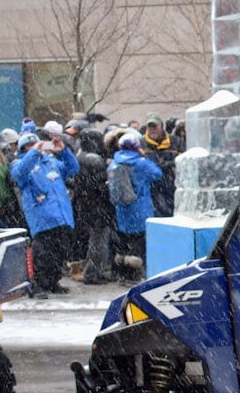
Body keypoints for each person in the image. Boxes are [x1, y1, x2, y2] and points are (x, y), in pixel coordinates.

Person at [10, 131, 80, 298]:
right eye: (30, 145)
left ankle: (52, 281)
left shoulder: (51, 162)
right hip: (41, 216)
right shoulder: (20, 164)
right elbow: (19, 174)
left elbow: (73, 169)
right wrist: (34, 152)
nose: (38, 148)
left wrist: (63, 151)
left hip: (61, 215)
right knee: (42, 252)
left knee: (59, 250)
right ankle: (38, 284)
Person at [111, 132, 162, 281]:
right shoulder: (140, 163)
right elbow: (157, 174)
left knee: (125, 242)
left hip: (122, 208)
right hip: (140, 209)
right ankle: (136, 276)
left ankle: (124, 275)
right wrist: (144, 157)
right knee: (139, 244)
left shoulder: (116, 162)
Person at [71, 128, 115, 284]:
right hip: (98, 208)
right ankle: (93, 274)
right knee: (98, 243)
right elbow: (100, 186)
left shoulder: (80, 156)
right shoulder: (94, 160)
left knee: (96, 242)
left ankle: (94, 272)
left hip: (87, 206)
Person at [142, 112, 181, 217]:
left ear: (161, 126)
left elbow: (184, 161)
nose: (152, 129)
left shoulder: (176, 142)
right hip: (151, 190)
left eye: (155, 126)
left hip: (173, 187)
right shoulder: (141, 144)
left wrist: (170, 164)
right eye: (149, 127)